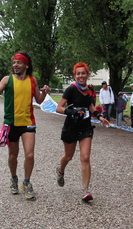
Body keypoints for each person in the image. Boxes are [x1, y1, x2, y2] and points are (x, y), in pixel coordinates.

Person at [0, 51, 50, 201]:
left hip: (28, 122)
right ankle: (13, 179)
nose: (15, 65)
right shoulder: (7, 80)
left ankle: (26, 183)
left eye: (18, 62)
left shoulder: (32, 80)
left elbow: (39, 100)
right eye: (14, 62)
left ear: (26, 65)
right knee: (13, 155)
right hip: (11, 123)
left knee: (30, 155)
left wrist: (45, 92)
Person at [55, 62, 110, 201]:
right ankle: (61, 171)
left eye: (83, 73)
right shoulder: (71, 90)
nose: (81, 75)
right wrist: (71, 111)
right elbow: (58, 108)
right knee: (68, 157)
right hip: (71, 127)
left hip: (85, 127)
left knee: (85, 158)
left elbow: (91, 106)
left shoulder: (89, 90)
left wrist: (100, 117)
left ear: (87, 75)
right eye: (78, 73)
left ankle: (86, 190)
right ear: (75, 75)